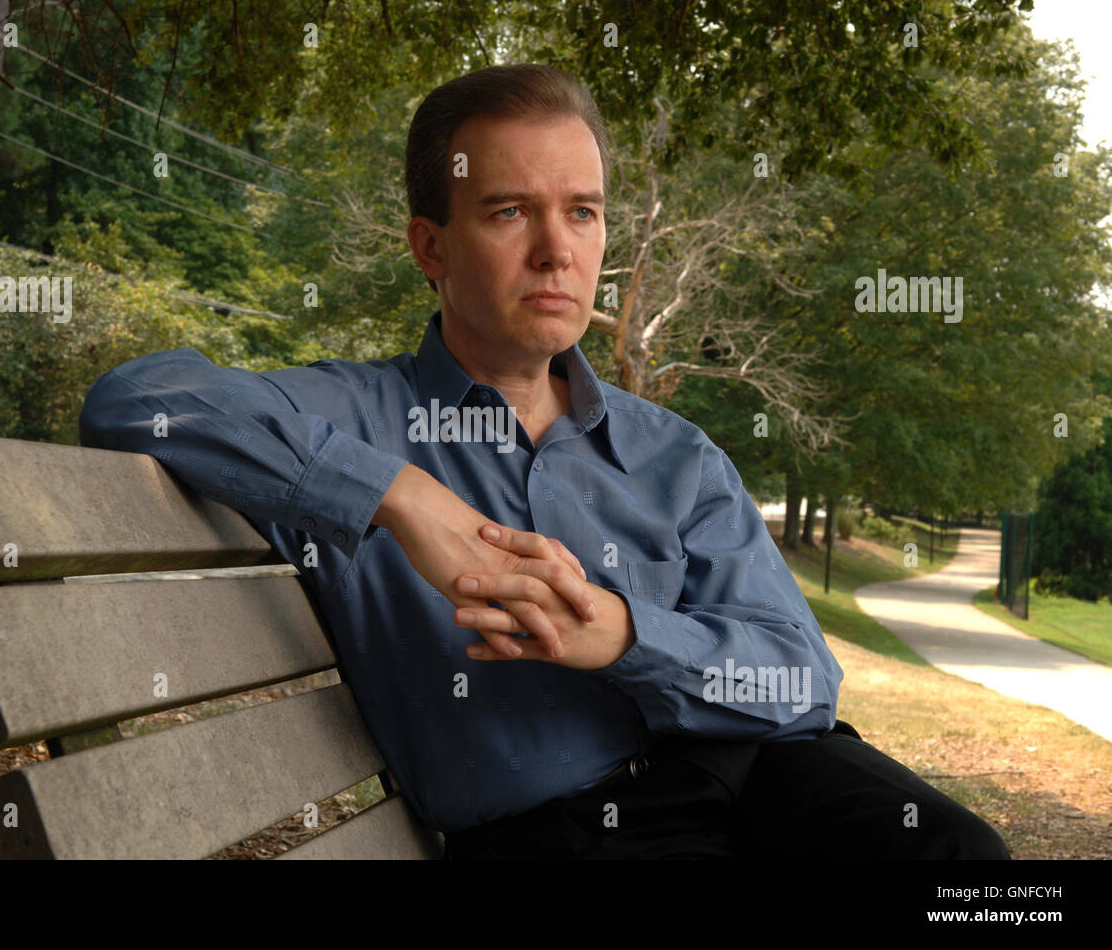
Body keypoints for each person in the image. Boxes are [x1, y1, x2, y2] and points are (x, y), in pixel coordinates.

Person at [78, 63, 1009, 859]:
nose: (557, 251)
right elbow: (135, 400)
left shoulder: (673, 454)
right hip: (558, 830)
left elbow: (801, 679)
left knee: (972, 864)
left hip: (765, 775)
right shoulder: (354, 414)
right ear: (431, 245)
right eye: (510, 211)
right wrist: (400, 495)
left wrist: (625, 634)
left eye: (583, 212)